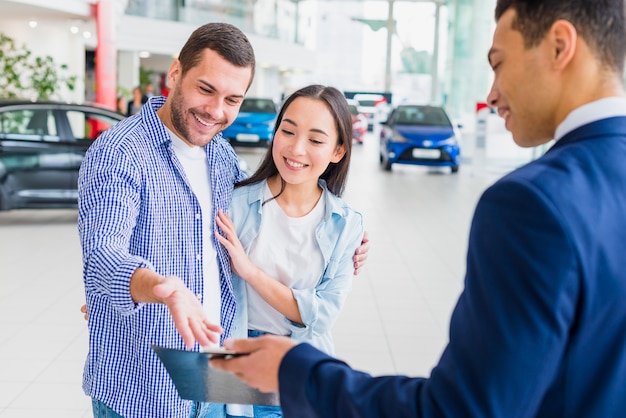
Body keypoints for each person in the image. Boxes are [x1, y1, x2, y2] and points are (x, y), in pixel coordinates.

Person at [211, 1, 626, 416]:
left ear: (559, 47)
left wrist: (293, 368)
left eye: (498, 64)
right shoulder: (237, 197)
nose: (492, 93)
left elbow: (461, 408)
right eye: (288, 131)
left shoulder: (532, 202)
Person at [79, 22, 369, 418]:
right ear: (177, 73)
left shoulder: (221, 157)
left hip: (215, 384)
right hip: (144, 388)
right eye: (206, 89)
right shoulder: (120, 153)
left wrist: (350, 241)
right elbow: (102, 256)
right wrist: (158, 286)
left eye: (233, 99)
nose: (216, 111)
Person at [213, 84, 364, 417]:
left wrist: (250, 272)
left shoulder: (346, 224)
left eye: (315, 140)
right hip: (235, 356)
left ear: (338, 151)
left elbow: (321, 316)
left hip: (299, 364)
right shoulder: (233, 204)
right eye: (288, 131)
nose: (296, 149)